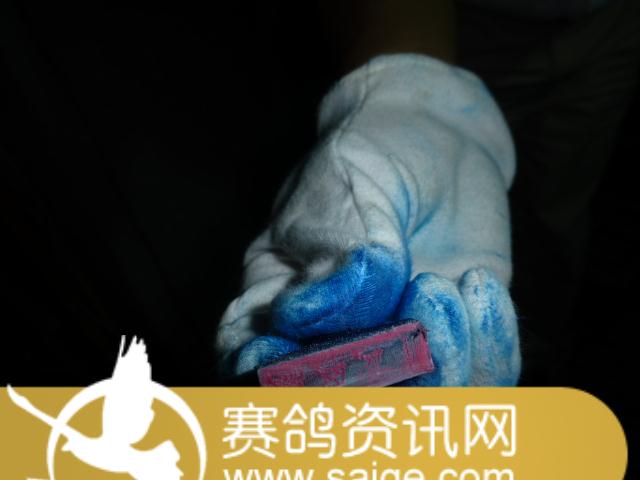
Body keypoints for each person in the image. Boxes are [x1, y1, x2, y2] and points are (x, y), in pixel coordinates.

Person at [2, 1, 639, 387]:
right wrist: (412, 93)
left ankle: (553, 347)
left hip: (608, 23)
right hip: (461, 22)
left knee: (555, 221)